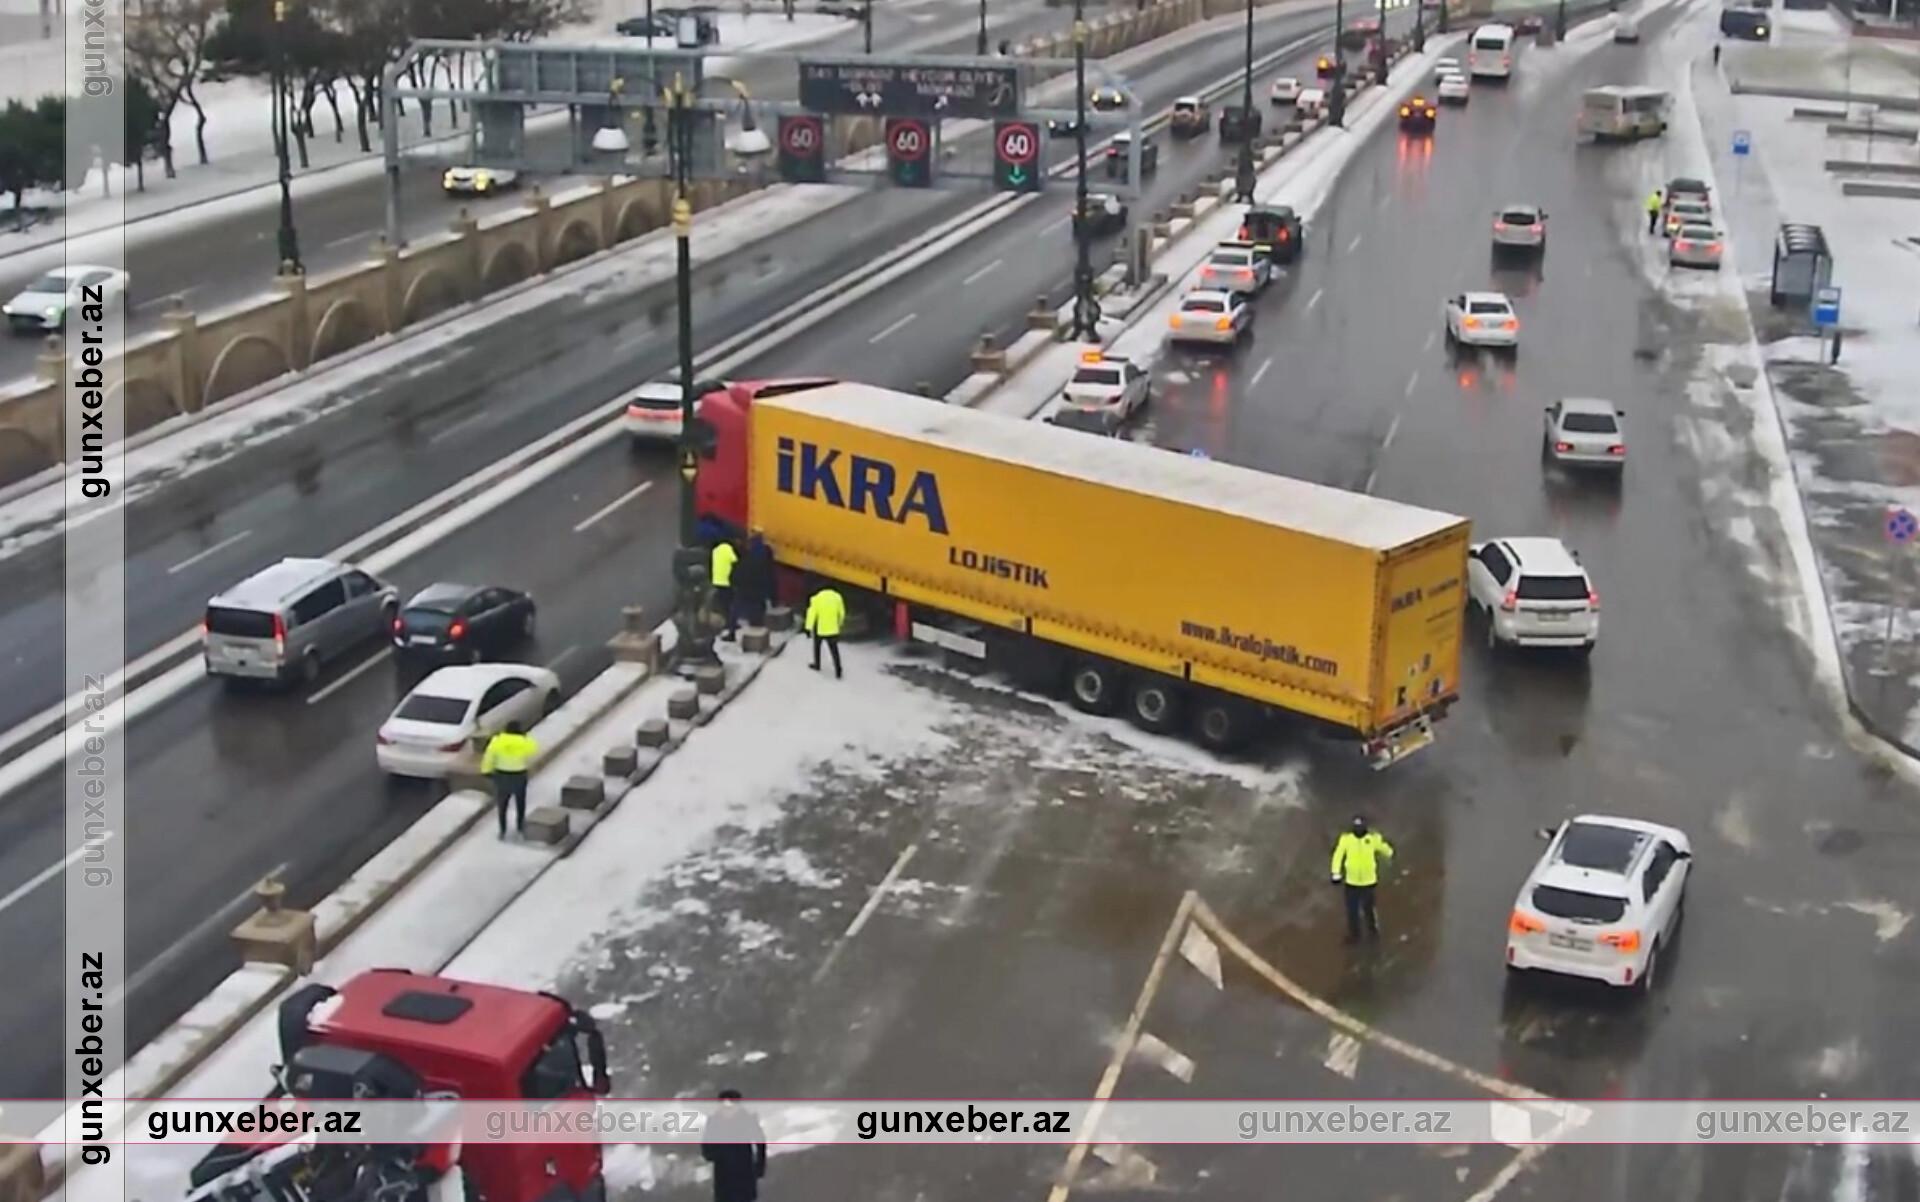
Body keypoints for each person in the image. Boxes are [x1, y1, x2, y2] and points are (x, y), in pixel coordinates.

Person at [1329, 815, 1395, 943]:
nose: (1358, 830)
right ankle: (1355, 935)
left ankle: (1373, 932)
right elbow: (1338, 855)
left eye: (1360, 827)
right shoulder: (1346, 840)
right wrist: (1335, 873)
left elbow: (1383, 847)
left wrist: (1390, 853)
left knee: (1369, 909)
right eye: (1356, 827)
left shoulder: (1372, 839)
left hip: (1368, 881)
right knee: (1352, 911)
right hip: (1351, 881)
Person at [701, 1089, 767, 1202]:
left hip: (745, 1172)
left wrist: (759, 1167)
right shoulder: (714, 1121)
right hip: (723, 1173)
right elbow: (706, 1144)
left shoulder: (747, 1119)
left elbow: (760, 1142)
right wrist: (714, 1154)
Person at [481, 721, 538, 838]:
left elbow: (489, 757)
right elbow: (533, 751)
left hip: (502, 775)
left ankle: (503, 830)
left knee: (502, 803)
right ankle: (520, 825)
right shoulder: (524, 742)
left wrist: (486, 771)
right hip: (519, 774)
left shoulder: (497, 741)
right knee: (520, 801)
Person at [804, 584, 847, 678]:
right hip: (833, 629)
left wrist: (808, 629)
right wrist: (839, 624)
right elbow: (842, 613)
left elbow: (811, 615)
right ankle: (838, 670)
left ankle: (817, 664)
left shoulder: (816, 598)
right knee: (834, 650)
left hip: (820, 630)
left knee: (817, 647)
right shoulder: (837, 597)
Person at [736, 533, 775, 627]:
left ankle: (755, 624)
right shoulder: (766, 550)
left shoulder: (750, 554)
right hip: (762, 582)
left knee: (753, 605)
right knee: (760, 604)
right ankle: (760, 623)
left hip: (751, 584)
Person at [711, 537, 740, 640]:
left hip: (716, 581)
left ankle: (724, 623)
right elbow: (735, 560)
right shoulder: (728, 549)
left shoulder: (715, 550)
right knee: (730, 605)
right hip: (726, 582)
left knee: (722, 605)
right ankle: (730, 624)